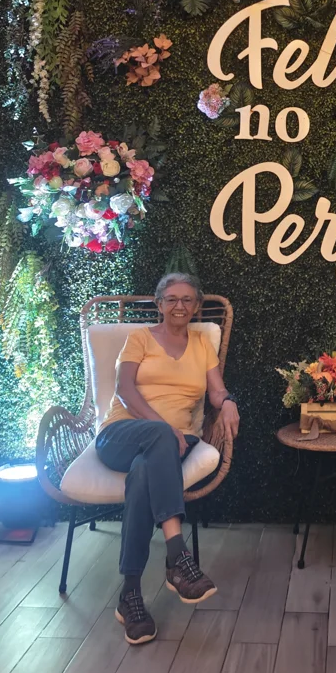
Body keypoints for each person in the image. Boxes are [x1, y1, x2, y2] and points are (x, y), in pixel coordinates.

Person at [95, 272, 240, 645]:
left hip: (174, 443)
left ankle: (130, 594)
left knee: (143, 473)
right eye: (172, 299)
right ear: (159, 304)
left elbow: (216, 391)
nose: (180, 305)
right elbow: (125, 390)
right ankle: (177, 554)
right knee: (159, 436)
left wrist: (227, 402)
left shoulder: (201, 345)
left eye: (187, 299)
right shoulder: (140, 338)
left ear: (196, 306)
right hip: (121, 434)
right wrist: (163, 427)